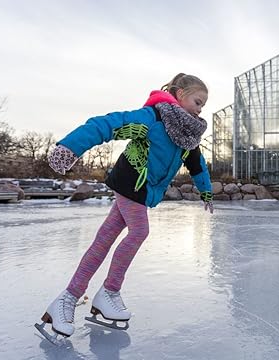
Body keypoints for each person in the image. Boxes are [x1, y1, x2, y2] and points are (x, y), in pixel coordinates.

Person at [35, 74, 214, 342]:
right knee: (139, 231)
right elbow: (109, 124)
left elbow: (197, 165)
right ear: (179, 94)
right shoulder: (153, 118)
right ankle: (109, 291)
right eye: (197, 101)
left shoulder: (187, 137)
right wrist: (69, 148)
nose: (201, 109)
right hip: (130, 182)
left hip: (143, 191)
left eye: (203, 105)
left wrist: (206, 191)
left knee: (104, 239)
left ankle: (68, 298)